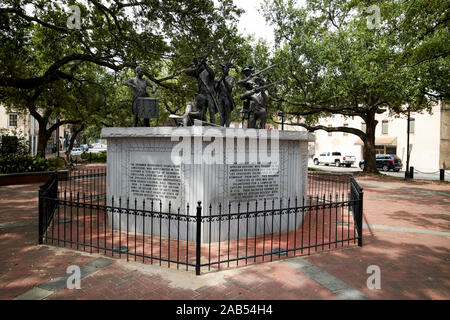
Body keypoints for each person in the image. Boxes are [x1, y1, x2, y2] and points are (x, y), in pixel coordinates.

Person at [185, 57, 217, 124]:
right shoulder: (198, 72)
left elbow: (212, 73)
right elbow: (187, 71)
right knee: (202, 111)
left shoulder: (208, 71)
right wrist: (193, 65)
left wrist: (205, 64)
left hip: (209, 94)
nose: (198, 65)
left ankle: (213, 124)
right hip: (201, 94)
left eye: (198, 64)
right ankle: (203, 123)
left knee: (211, 109)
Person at [215, 62, 235, 127]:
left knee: (227, 115)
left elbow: (229, 87)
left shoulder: (231, 78)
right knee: (221, 114)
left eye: (225, 68)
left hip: (228, 98)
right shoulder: (219, 78)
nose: (224, 70)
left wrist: (224, 79)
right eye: (223, 68)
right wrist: (218, 82)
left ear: (228, 70)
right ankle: (221, 128)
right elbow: (215, 89)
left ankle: (227, 129)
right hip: (220, 98)